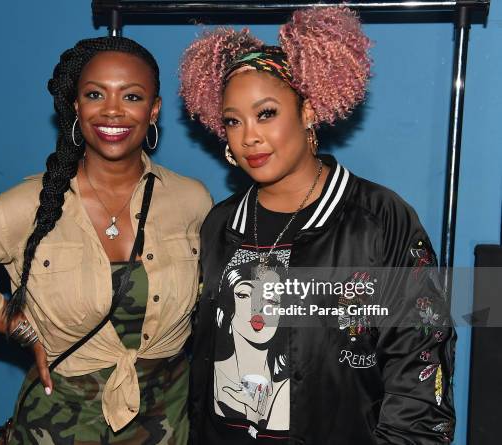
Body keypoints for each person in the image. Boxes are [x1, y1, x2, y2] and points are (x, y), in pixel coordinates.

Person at [0, 36, 212, 444]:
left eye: (132, 96)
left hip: (168, 422)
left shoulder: (191, 200)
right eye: (95, 94)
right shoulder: (26, 206)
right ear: (76, 106)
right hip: (60, 424)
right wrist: (20, 329)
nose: (112, 110)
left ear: (154, 109)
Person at [179, 7, 456, 444]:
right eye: (233, 120)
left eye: (266, 113)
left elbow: (418, 366)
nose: (248, 136)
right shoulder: (221, 223)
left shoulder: (378, 219)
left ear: (308, 110)